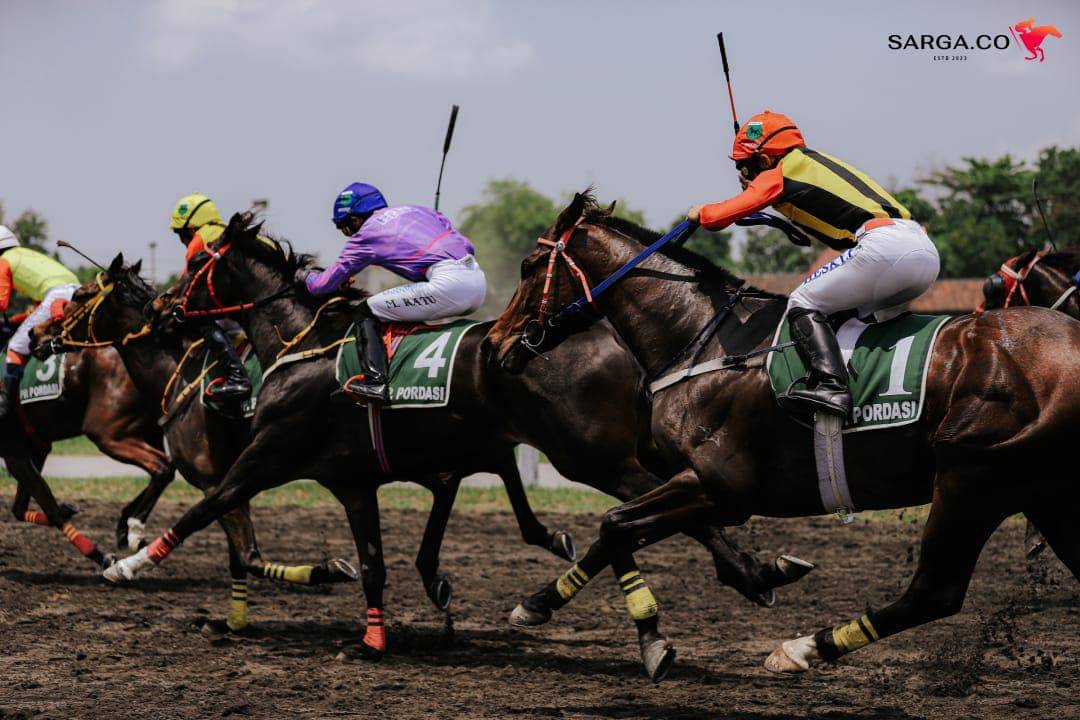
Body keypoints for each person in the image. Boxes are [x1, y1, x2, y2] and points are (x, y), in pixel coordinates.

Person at [688, 110, 940, 418]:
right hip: (922, 251)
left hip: (886, 248)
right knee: (849, 319)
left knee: (803, 300)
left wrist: (699, 212)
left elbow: (716, 219)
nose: (745, 172)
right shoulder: (810, 164)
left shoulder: (779, 173)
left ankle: (832, 387)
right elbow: (833, 234)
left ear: (766, 160)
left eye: (746, 165)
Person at [299, 182, 486, 404]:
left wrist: (303, 276)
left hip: (448, 284)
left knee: (365, 312)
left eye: (346, 228)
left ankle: (375, 382)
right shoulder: (418, 210)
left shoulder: (367, 233)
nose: (349, 236)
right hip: (477, 280)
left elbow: (320, 285)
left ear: (356, 218)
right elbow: (467, 246)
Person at [170, 193, 251, 398]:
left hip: (234, 308)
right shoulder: (222, 230)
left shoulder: (199, 240)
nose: (181, 241)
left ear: (190, 229)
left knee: (197, 319)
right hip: (248, 303)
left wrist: (166, 298)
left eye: (180, 235)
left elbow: (185, 284)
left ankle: (236, 374)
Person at [0, 224, 80, 420]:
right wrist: (15, 320)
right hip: (78, 292)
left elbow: (0, 302)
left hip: (57, 295)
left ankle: (5, 406)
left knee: (16, 348)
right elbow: (38, 310)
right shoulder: (27, 255)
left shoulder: (3, 261)